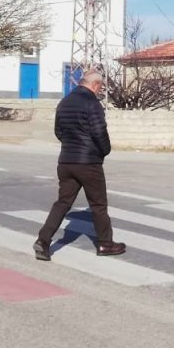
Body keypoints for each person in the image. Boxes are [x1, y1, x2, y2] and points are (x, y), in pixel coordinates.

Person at [34, 69, 125, 259]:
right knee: (98, 204)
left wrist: (70, 145)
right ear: (95, 85)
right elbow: (99, 132)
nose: (100, 91)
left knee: (63, 202)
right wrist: (105, 150)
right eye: (100, 87)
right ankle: (105, 244)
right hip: (88, 163)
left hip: (66, 160)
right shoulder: (92, 103)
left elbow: (59, 131)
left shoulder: (65, 102)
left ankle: (42, 241)